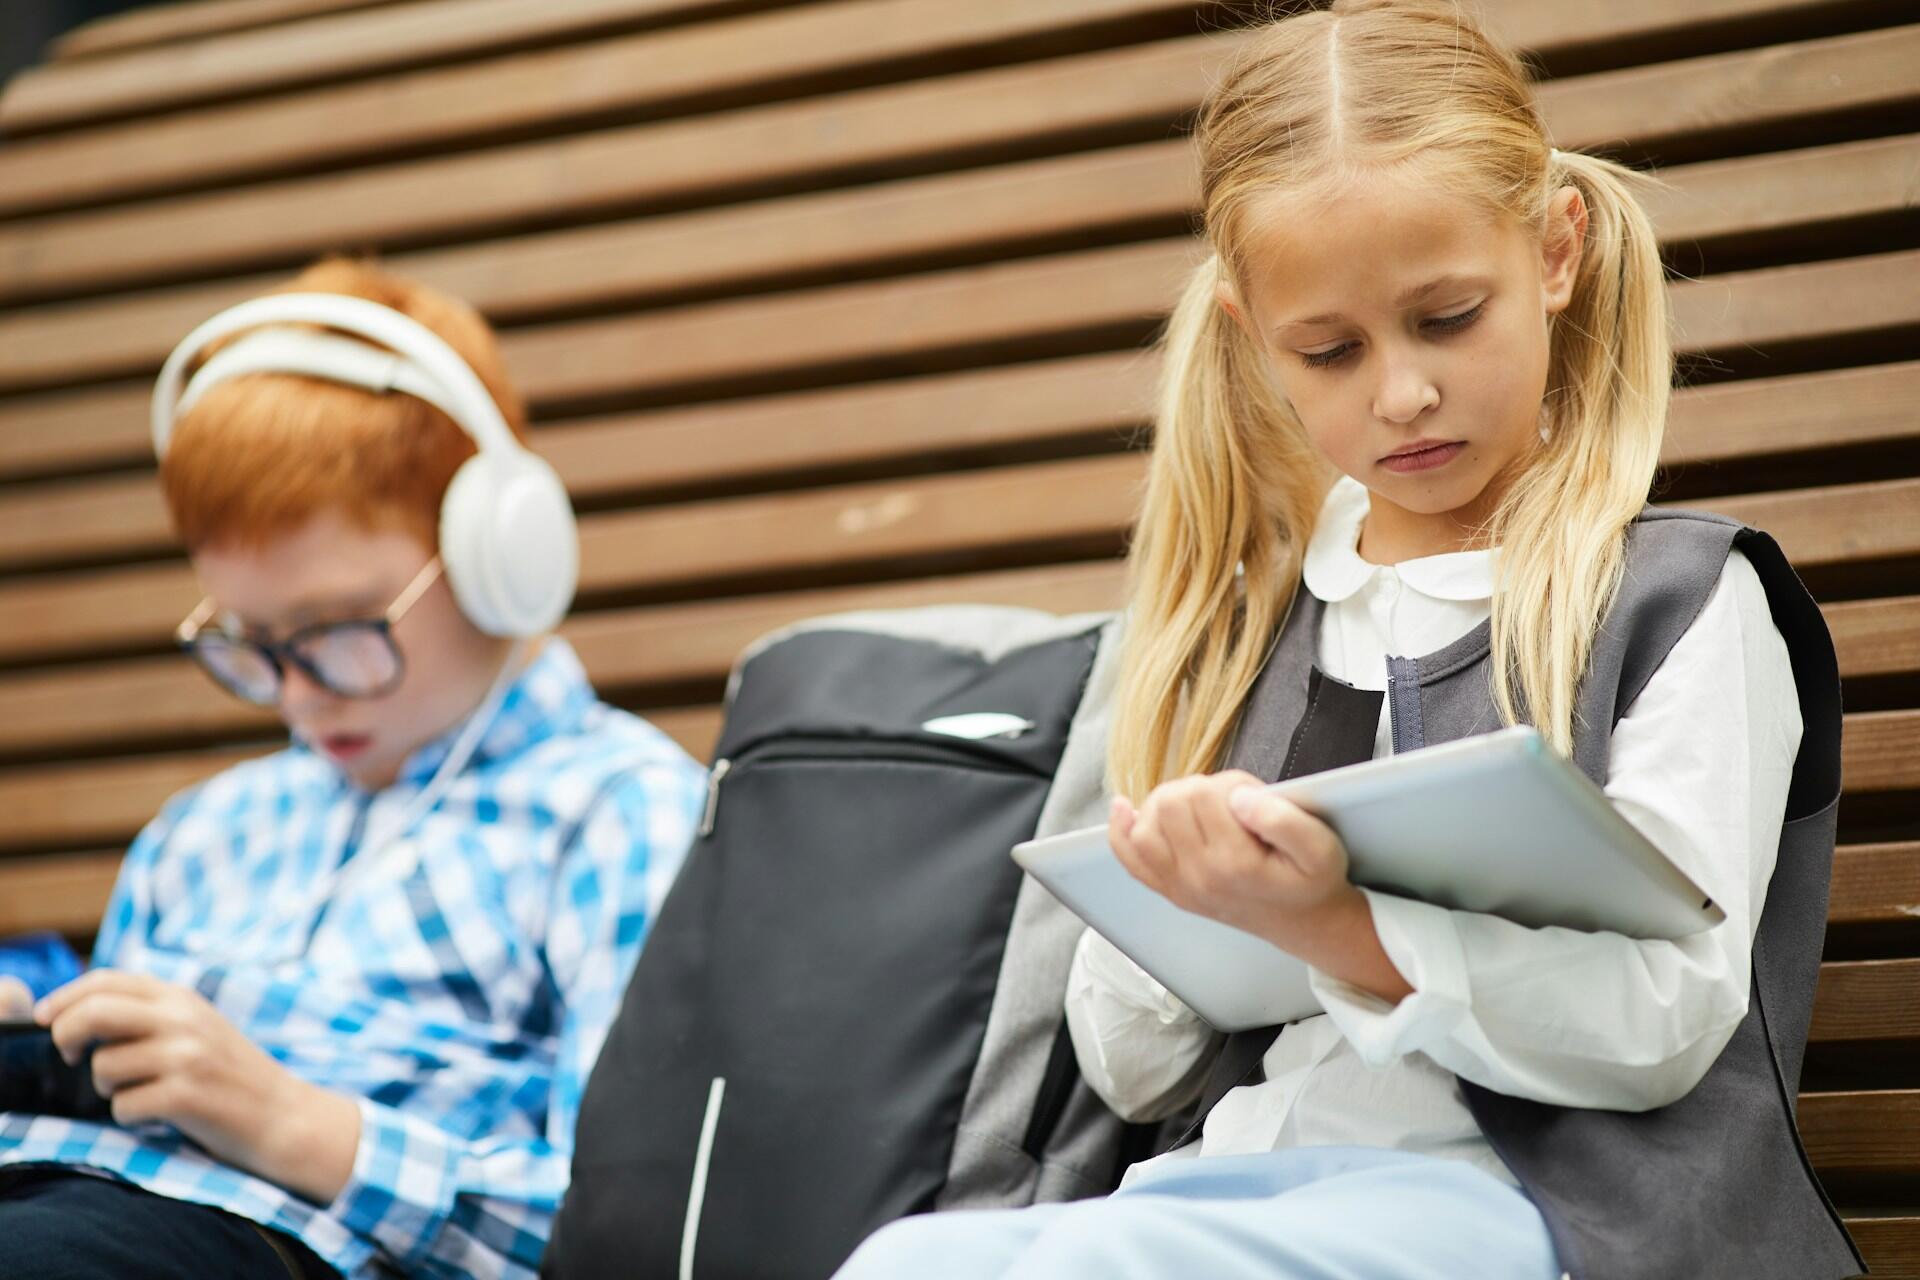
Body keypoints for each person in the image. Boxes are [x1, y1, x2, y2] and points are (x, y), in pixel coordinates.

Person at [834, 2, 1858, 1277]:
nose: (1401, 393)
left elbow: (1665, 1019)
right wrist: (1193, 894)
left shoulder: (1679, 599)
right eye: (1329, 350)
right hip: (1259, 1178)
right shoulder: (1258, 627)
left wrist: (1339, 924)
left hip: (1567, 1223)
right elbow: (1134, 1066)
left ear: (1556, 250)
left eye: (1446, 318)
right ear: (1256, 347)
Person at [0, 258, 706, 1279]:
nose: (299, 690)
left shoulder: (613, 811)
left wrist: (295, 1123)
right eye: (250, 640)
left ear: (498, 556)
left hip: (261, 1241)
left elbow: (643, 1220)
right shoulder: (203, 832)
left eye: (334, 629)